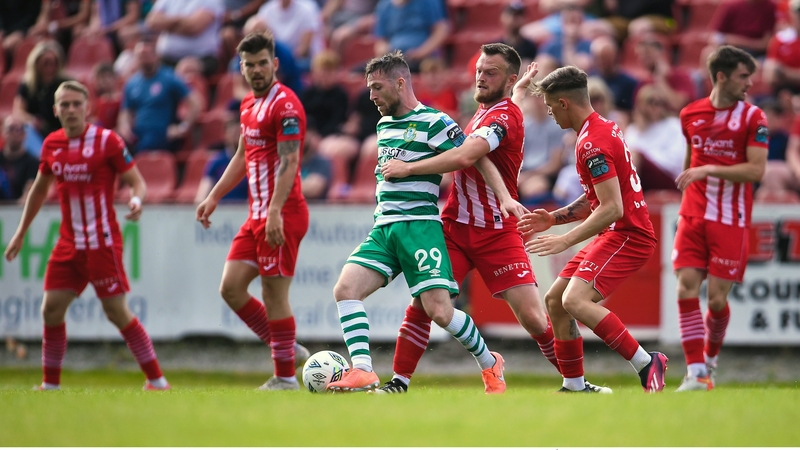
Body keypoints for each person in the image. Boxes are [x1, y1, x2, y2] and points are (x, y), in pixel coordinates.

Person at [377, 47, 611, 394]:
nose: (480, 77)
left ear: (509, 78)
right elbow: (510, 99)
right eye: (479, 70)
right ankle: (398, 381)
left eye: (490, 73)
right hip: (455, 228)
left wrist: (407, 168)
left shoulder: (504, 118)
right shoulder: (492, 108)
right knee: (425, 303)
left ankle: (576, 382)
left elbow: (468, 154)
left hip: (497, 232)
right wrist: (518, 88)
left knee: (534, 318)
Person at [325, 51, 507, 394]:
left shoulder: (434, 121)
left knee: (439, 311)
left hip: (419, 227)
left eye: (377, 88)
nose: (371, 96)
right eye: (369, 89)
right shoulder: (382, 125)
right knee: (345, 289)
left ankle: (489, 362)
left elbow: (474, 154)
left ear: (400, 83)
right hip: (384, 229)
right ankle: (363, 369)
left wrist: (505, 196)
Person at [3, 80, 169, 391]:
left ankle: (157, 380)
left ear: (87, 107)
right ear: (55, 111)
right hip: (68, 244)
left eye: (76, 104)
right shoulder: (51, 144)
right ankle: (50, 386)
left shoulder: (108, 141)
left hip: (102, 244)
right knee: (50, 309)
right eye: (64, 105)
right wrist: (20, 232)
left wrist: (136, 200)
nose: (70, 109)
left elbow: (138, 183)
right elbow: (40, 189)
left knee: (116, 312)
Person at [517, 65, 669, 393]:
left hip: (628, 234)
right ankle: (574, 385)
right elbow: (598, 200)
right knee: (555, 300)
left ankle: (646, 362)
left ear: (563, 104)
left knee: (574, 300)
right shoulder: (602, 129)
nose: (550, 114)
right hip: (617, 231)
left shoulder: (591, 143)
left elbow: (613, 208)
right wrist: (553, 219)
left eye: (549, 106)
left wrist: (565, 240)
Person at [196, 31, 310, 390]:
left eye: (263, 63)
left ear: (274, 64)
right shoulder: (246, 106)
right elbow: (243, 157)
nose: (257, 69)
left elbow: (289, 162)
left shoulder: (286, 105)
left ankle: (285, 377)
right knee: (231, 288)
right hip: (257, 215)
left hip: (283, 213)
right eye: (250, 64)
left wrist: (275, 210)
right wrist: (214, 195)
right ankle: (287, 348)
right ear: (241, 69)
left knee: (274, 295)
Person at [673, 46, 768, 392]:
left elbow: (756, 170)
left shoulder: (753, 117)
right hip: (694, 214)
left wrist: (710, 168)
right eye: (744, 76)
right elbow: (689, 161)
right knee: (685, 288)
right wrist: (689, 180)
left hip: (731, 218)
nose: (750, 83)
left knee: (715, 300)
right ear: (722, 76)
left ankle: (710, 362)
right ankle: (695, 372)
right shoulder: (690, 114)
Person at [117, 39, 202, 153]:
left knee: (145, 148)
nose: (143, 59)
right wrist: (125, 127)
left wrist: (183, 128)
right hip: (138, 134)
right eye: (140, 56)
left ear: (155, 56)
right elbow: (125, 111)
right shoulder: (131, 83)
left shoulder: (169, 78)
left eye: (146, 55)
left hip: (161, 134)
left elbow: (195, 102)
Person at [0, 116, 40, 202]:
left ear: (25, 134)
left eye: (20, 129)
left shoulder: (33, 163)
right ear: (2, 132)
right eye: (11, 128)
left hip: (18, 210)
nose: (16, 133)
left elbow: (29, 194)